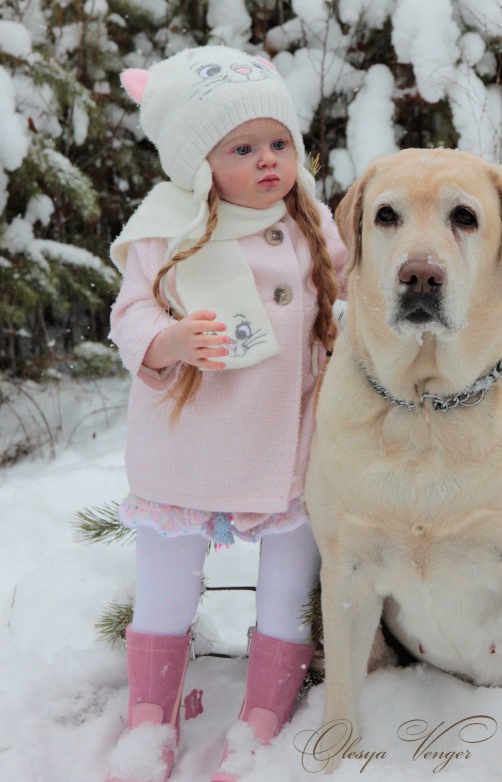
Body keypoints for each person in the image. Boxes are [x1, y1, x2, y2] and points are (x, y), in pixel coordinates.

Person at [105, 45, 347, 782]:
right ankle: (150, 715)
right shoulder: (166, 227)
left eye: (279, 142)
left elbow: (347, 289)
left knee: (286, 581)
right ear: (197, 162)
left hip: (291, 435)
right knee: (166, 583)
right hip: (193, 434)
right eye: (242, 148)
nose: (268, 160)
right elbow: (130, 312)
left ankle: (264, 714)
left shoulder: (307, 219)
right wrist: (168, 339)